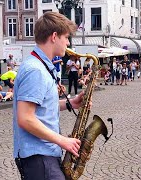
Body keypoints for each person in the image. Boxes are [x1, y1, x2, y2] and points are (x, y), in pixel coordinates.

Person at [13, 12, 87, 180]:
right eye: (66, 37)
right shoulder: (35, 71)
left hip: (43, 154)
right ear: (54, 36)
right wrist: (62, 141)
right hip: (39, 156)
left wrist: (71, 103)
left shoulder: (40, 66)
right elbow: (25, 118)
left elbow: (42, 105)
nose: (68, 43)